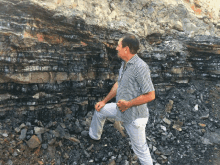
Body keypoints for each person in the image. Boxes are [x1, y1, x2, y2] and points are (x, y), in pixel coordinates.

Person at [89, 34, 155, 165]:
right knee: (100, 111)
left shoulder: (141, 67)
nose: (116, 48)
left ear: (126, 49)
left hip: (135, 117)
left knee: (141, 150)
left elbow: (151, 95)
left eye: (119, 45)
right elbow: (118, 84)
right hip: (121, 108)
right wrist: (104, 101)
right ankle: (94, 138)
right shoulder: (125, 64)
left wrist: (129, 104)